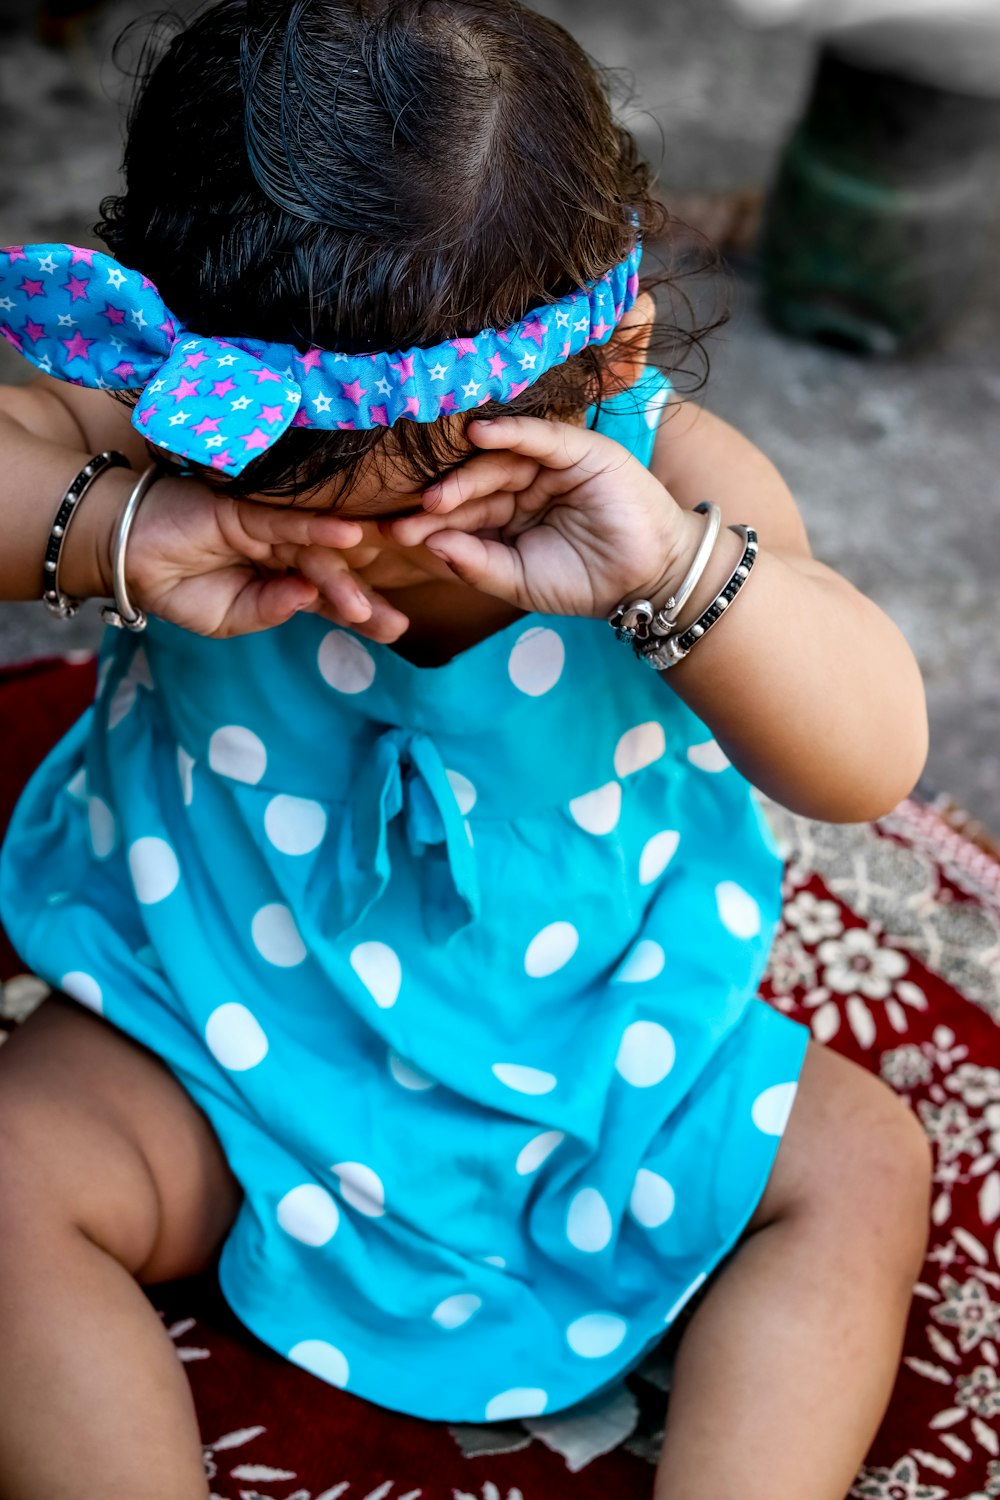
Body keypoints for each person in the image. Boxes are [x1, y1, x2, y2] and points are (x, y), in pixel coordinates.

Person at [0, 2, 933, 1497]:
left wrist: (675, 575)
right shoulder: (161, 425)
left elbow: (868, 756)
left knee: (864, 1165)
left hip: (606, 1066)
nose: (365, 562)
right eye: (299, 504)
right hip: (226, 1031)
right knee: (9, 1177)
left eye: (436, 513)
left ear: (610, 352)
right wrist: (111, 526)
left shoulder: (670, 482)